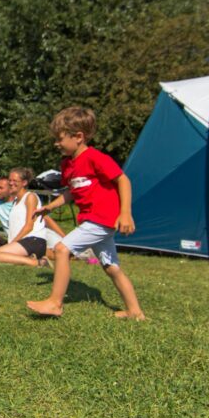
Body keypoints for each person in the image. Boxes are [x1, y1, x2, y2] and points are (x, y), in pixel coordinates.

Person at [27, 107, 145, 320]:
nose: (56, 143)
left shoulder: (95, 158)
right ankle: (135, 312)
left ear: (78, 137)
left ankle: (55, 303)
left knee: (62, 249)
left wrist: (125, 213)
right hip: (92, 220)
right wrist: (50, 207)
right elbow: (71, 191)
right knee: (112, 268)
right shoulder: (68, 164)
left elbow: (123, 180)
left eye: (60, 138)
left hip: (102, 219)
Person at [0, 167, 53, 267]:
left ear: (24, 182)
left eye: (15, 180)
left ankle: (38, 262)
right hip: (21, 243)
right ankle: (27, 258)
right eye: (10, 180)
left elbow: (29, 226)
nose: (11, 183)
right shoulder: (16, 201)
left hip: (33, 241)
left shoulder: (30, 197)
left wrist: (12, 243)